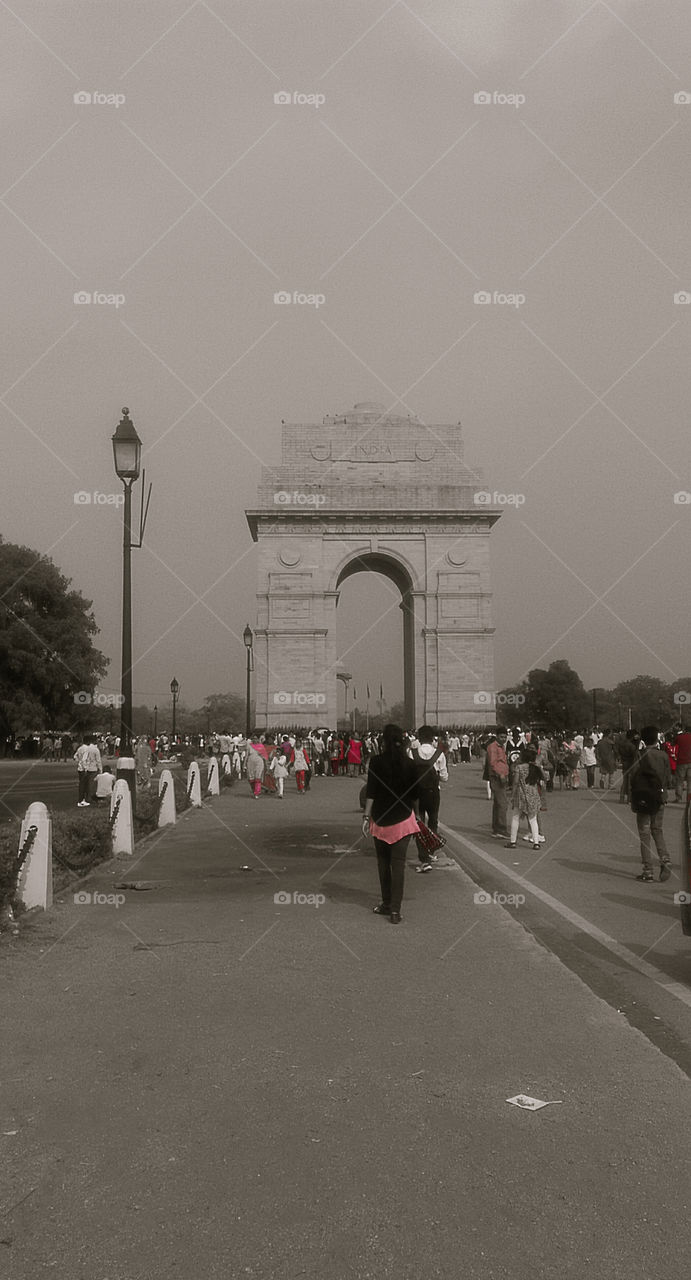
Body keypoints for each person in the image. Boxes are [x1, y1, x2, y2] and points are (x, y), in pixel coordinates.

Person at [362, 723, 420, 924]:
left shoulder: (376, 762)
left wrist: (365, 817)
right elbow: (415, 795)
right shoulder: (410, 764)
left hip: (380, 820)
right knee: (399, 866)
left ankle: (386, 904)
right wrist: (418, 817)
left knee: (383, 865)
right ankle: (396, 910)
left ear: (383, 741)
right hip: (403, 820)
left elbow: (371, 791)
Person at [629, 726, 672, 882]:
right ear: (657, 739)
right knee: (657, 830)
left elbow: (632, 777)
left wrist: (631, 796)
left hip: (643, 800)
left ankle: (648, 871)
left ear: (643, 740)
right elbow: (669, 779)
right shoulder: (663, 756)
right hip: (659, 798)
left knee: (644, 834)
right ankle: (665, 858)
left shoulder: (639, 755)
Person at [411, 726, 448, 871]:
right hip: (433, 793)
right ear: (433, 738)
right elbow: (445, 777)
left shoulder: (412, 752)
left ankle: (424, 858)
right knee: (433, 821)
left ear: (419, 738)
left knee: (418, 823)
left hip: (416, 794)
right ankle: (431, 852)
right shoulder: (439, 754)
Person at [505, 746, 543, 850]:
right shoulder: (535, 768)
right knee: (533, 819)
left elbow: (516, 782)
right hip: (533, 794)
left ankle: (513, 841)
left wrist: (512, 796)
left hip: (521, 794)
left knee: (515, 817)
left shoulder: (519, 768)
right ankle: (536, 842)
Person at [486, 730, 510, 838]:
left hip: (502, 776)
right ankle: (501, 828)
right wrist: (501, 775)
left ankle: (496, 828)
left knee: (498, 803)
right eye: (501, 737)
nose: (503, 739)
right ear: (497, 736)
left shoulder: (501, 747)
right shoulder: (493, 747)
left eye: (505, 737)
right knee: (502, 803)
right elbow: (493, 762)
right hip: (497, 777)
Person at [74, 734, 102, 807]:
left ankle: (82, 799)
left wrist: (79, 761)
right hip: (89, 768)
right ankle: (86, 799)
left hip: (81, 768)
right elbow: (96, 760)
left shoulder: (80, 748)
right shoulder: (91, 749)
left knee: (82, 784)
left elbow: (75, 756)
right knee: (89, 785)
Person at [246, 734, 268, 798]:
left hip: (259, 762)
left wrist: (267, 764)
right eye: (253, 738)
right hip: (250, 763)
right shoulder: (249, 746)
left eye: (256, 738)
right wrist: (244, 764)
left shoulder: (261, 746)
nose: (255, 740)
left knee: (257, 778)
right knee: (251, 779)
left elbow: (265, 756)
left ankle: (257, 793)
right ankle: (254, 790)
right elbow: (247, 755)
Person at [674, 723, 691, 804]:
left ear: (684, 730)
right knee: (690, 781)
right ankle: (689, 798)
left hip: (681, 761)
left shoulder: (679, 737)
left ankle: (678, 798)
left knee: (679, 781)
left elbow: (674, 744)